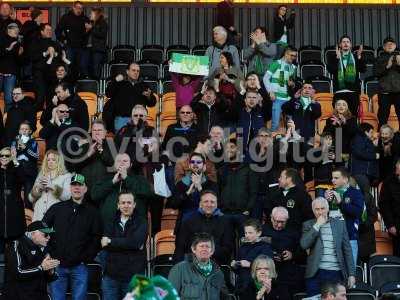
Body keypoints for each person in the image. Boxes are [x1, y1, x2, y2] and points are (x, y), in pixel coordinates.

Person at [43, 173, 102, 300]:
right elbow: (43, 228)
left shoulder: (93, 212)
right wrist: (48, 252)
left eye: (80, 185)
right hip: (57, 264)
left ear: (85, 188)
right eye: (74, 185)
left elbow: (96, 237)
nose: (77, 188)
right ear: (70, 188)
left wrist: (86, 257)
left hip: (80, 266)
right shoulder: (57, 208)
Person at [300, 197, 355, 297]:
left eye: (323, 208)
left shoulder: (340, 224)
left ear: (328, 209)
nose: (320, 212)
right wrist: (317, 225)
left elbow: (347, 250)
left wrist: (351, 274)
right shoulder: (308, 225)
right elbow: (304, 244)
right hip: (316, 273)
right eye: (317, 209)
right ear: (313, 211)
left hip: (336, 272)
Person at [101, 191, 148, 300]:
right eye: (123, 203)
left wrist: (111, 241)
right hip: (111, 276)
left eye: (129, 202)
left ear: (134, 205)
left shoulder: (142, 221)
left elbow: (136, 243)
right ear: (118, 205)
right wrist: (128, 244)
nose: (126, 205)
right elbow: (104, 244)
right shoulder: (110, 221)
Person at [174, 190, 234, 265]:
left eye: (212, 202)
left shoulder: (225, 221)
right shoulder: (188, 220)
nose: (209, 205)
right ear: (200, 204)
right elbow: (180, 246)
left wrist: (208, 253)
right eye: (206, 201)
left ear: (216, 204)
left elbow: (228, 247)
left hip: (216, 263)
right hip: (192, 263)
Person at [3, 221, 60, 300]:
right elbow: (18, 272)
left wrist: (50, 271)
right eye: (45, 234)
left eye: (49, 234)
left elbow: (48, 278)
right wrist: (42, 268)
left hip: (38, 295)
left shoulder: (43, 248)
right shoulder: (16, 245)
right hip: (19, 295)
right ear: (33, 233)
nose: (48, 237)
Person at [91, 152, 153, 224]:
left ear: (131, 165)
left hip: (134, 226)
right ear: (114, 165)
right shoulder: (106, 179)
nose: (122, 163)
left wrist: (127, 178)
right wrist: (112, 182)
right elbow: (94, 195)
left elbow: (148, 193)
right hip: (109, 226)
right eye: (119, 161)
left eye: (125, 161)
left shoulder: (139, 179)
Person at [168, 232, 228, 300]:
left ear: (212, 251)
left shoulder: (218, 273)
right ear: (193, 249)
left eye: (207, 246)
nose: (204, 249)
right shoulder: (179, 269)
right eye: (201, 246)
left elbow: (225, 297)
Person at [262, 207, 305, 297]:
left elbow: (303, 253)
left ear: (287, 220)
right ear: (271, 218)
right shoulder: (263, 230)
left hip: (287, 271)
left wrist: (292, 255)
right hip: (267, 270)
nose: (279, 225)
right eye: (276, 221)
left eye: (282, 222)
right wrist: (270, 255)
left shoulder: (293, 232)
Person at [325, 167, 364, 263]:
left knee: (350, 270)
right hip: (331, 238)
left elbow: (358, 212)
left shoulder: (355, 193)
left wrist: (341, 203)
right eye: (332, 178)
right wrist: (326, 202)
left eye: (336, 178)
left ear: (345, 179)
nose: (332, 180)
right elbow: (321, 214)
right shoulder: (329, 193)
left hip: (349, 237)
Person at [218, 138, 258, 230]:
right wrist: (220, 209)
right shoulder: (221, 170)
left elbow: (253, 192)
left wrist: (248, 209)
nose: (229, 150)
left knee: (244, 241)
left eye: (232, 147)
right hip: (225, 214)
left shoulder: (249, 169)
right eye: (226, 148)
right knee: (227, 242)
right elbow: (218, 190)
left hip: (242, 215)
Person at [105, 62, 157, 132]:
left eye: (138, 71)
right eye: (133, 70)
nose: (136, 73)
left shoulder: (143, 85)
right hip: (122, 120)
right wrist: (115, 81)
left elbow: (152, 104)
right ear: (127, 71)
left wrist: (149, 96)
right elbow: (108, 94)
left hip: (138, 119)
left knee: (138, 142)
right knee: (121, 142)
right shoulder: (119, 83)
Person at [172, 152, 218, 225]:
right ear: (189, 165)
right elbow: (174, 205)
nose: (195, 164)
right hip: (185, 223)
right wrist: (188, 192)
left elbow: (215, 206)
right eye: (192, 162)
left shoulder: (211, 184)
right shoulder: (181, 184)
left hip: (206, 223)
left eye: (199, 162)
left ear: (204, 166)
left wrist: (199, 187)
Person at [30, 23, 68, 111]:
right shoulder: (35, 43)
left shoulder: (55, 44)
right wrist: (46, 53)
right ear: (42, 32)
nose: (50, 32)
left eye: (51, 30)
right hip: (39, 75)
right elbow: (32, 57)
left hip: (52, 77)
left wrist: (56, 54)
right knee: (40, 99)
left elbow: (61, 58)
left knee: (52, 101)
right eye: (47, 30)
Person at [326, 35, 366, 116]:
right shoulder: (333, 57)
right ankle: (339, 130)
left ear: (350, 45)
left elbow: (363, 69)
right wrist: (337, 59)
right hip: (339, 92)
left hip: (353, 92)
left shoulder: (355, 57)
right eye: (343, 42)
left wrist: (359, 57)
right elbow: (330, 70)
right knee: (338, 118)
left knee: (352, 117)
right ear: (340, 45)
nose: (345, 44)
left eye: (348, 42)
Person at [265, 168, 314, 233]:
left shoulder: (303, 196)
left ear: (289, 179)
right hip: (275, 233)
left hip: (295, 235)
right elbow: (268, 213)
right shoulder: (275, 195)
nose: (278, 179)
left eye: (281, 177)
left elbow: (308, 216)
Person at [29, 149, 71, 221]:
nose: (50, 162)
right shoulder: (41, 175)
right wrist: (38, 189)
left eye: (53, 160)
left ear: (59, 161)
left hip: (56, 215)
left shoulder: (66, 176)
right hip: (39, 215)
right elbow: (31, 198)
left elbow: (67, 197)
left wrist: (52, 186)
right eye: (48, 160)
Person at [231, 219, 273, 292]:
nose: (247, 235)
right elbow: (238, 271)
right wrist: (235, 266)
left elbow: (269, 267)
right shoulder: (242, 248)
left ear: (259, 233)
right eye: (246, 233)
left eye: (250, 233)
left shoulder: (265, 247)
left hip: (257, 285)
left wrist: (250, 264)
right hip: (242, 286)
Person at [263, 46, 297, 131]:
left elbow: (292, 83)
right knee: (275, 124)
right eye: (291, 55)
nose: (293, 58)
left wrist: (292, 84)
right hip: (277, 98)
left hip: (288, 99)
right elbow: (265, 78)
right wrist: (270, 92)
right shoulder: (276, 63)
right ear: (286, 54)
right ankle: (272, 143)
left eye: (295, 56)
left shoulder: (293, 67)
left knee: (291, 123)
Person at [55, 1, 91, 79]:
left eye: (81, 8)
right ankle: (67, 86)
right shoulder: (66, 17)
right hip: (70, 47)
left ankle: (80, 87)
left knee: (81, 68)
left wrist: (88, 30)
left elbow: (87, 35)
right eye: (78, 8)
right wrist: (63, 40)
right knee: (69, 68)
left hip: (82, 48)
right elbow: (57, 31)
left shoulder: (85, 19)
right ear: (73, 7)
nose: (79, 10)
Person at [0, 147, 26, 250]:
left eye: (7, 155)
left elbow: (23, 179)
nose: (4, 157)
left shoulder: (15, 170)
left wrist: (15, 160)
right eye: (1, 155)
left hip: (14, 212)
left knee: (14, 250)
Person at [10, 121, 39, 207]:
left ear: (30, 131)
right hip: (17, 171)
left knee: (28, 198)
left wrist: (26, 148)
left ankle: (28, 213)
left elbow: (36, 156)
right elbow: (12, 156)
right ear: (19, 131)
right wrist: (15, 154)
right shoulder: (14, 141)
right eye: (22, 129)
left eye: (26, 129)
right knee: (15, 197)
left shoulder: (33, 142)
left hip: (29, 173)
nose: (24, 131)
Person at [375, 37, 400, 129]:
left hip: (398, 91)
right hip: (384, 92)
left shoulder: (399, 57)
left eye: (392, 44)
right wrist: (387, 67)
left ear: (395, 46)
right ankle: (381, 140)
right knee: (382, 118)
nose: (390, 45)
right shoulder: (379, 59)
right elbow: (376, 73)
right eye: (387, 44)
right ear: (384, 47)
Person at [0, 22, 24, 112]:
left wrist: (20, 54)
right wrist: (9, 49)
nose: (17, 31)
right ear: (9, 30)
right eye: (15, 29)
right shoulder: (2, 39)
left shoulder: (18, 43)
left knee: (9, 99)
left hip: (11, 73)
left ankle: (7, 120)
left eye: (18, 29)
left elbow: (20, 62)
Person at [379, 159, 400, 257]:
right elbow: (383, 205)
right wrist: (390, 225)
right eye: (397, 164)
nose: (397, 167)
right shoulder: (389, 182)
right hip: (397, 226)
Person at [87, 7, 108, 80]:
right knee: (89, 68)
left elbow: (102, 34)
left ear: (96, 14)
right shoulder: (92, 23)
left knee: (96, 69)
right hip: (90, 49)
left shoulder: (103, 23)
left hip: (98, 50)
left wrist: (92, 28)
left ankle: (96, 85)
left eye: (91, 13)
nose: (90, 15)